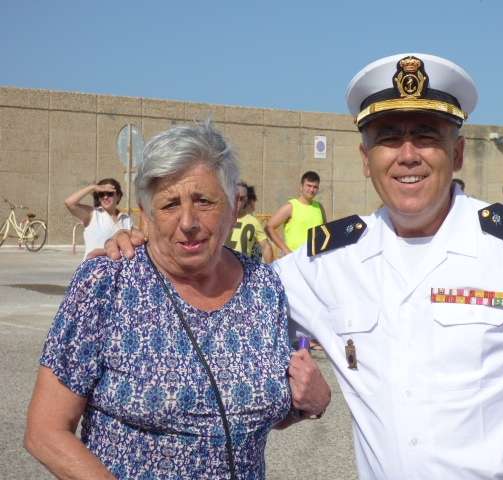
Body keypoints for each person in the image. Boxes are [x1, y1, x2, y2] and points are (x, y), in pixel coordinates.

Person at [104, 53, 503, 479]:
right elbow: (226, 289)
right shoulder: (328, 260)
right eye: (389, 138)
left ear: (458, 153)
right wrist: (150, 248)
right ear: (365, 157)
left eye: (426, 135)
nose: (407, 154)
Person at [24, 122, 330, 480]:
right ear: (147, 213)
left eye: (204, 201)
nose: (188, 221)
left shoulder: (263, 286)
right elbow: (45, 432)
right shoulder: (107, 282)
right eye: (170, 204)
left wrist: (312, 402)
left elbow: (249, 409)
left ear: (233, 206)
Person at [64, 178, 133, 259]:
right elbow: (69, 203)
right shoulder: (92, 214)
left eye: (109, 194)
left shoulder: (126, 218)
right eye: (101, 194)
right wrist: (92, 187)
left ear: (118, 196)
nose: (105, 197)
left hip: (118, 265)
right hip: (93, 265)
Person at [265, 170, 326, 256]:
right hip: (295, 259)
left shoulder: (319, 207)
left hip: (315, 258)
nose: (312, 190)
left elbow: (325, 231)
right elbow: (269, 227)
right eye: (309, 186)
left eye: (315, 187)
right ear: (301, 187)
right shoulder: (291, 207)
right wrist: (286, 251)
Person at [225, 181, 274, 263]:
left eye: (241, 198)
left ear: (246, 200)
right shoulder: (220, 219)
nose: (238, 202)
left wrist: (269, 268)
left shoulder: (253, 222)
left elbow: (266, 246)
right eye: (235, 197)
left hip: (242, 267)